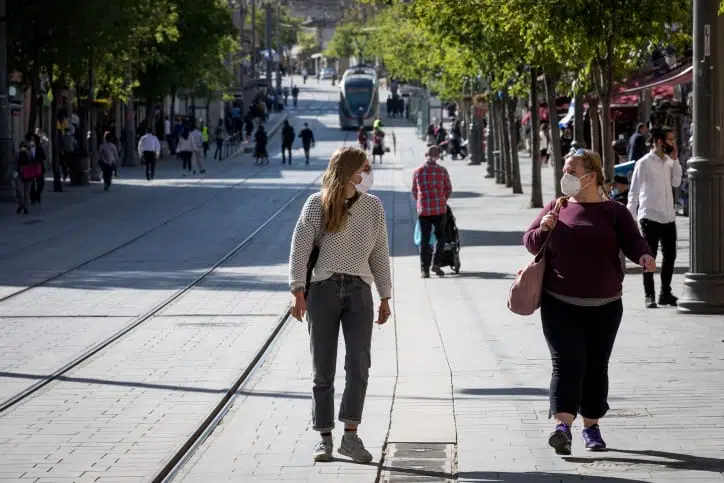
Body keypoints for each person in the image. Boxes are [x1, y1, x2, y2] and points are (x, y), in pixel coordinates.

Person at [523, 148, 656, 456]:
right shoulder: (558, 207)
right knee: (567, 363)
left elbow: (633, 241)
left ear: (591, 176)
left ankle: (591, 426)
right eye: (564, 170)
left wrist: (645, 255)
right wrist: (543, 228)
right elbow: (530, 242)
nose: (565, 176)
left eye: (572, 171)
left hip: (605, 306)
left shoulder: (614, 212)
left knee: (596, 366)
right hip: (560, 304)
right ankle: (562, 427)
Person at [288, 146, 392, 463]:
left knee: (359, 365)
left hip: (360, 291)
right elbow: (300, 249)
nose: (367, 174)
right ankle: (324, 438)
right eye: (363, 168)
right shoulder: (317, 204)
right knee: (323, 369)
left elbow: (380, 253)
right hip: (323, 290)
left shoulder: (373, 206)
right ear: (348, 171)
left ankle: (350, 436)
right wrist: (297, 291)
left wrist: (386, 295)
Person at [627, 126, 682, 308]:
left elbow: (677, 182)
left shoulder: (668, 161)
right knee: (649, 256)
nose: (673, 143)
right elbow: (634, 191)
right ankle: (649, 294)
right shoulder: (644, 163)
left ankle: (665, 293)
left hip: (668, 216)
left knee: (670, 256)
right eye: (670, 140)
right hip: (650, 216)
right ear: (660, 142)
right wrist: (630, 217)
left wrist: (676, 161)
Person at [411, 145, 452, 278]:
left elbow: (414, 191)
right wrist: (442, 200)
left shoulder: (418, 171)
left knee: (425, 239)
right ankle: (436, 263)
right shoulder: (442, 171)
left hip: (424, 211)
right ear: (438, 157)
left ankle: (425, 270)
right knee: (441, 237)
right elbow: (448, 188)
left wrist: (421, 202)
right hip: (440, 209)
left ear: (426, 155)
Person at [29, 133, 46, 204]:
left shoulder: (39, 148)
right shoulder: (27, 148)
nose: (31, 141)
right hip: (30, 168)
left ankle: (37, 194)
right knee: (31, 184)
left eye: (33, 140)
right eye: (31, 140)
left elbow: (44, 157)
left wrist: (38, 160)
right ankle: (33, 198)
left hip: (39, 167)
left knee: (41, 183)